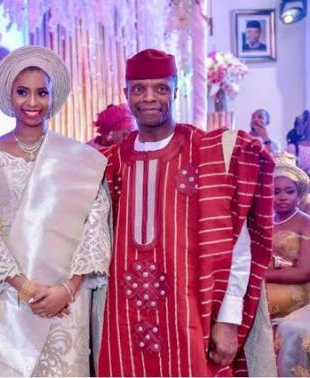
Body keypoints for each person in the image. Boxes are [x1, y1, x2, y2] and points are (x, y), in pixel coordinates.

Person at [97, 49, 276, 376]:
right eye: (139, 89)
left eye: (160, 88)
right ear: (126, 94)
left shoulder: (208, 153)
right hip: (122, 325)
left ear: (176, 90)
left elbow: (237, 244)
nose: (149, 98)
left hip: (194, 321)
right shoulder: (110, 164)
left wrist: (228, 320)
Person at [0, 46, 111, 376]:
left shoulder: (78, 157)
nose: (32, 103)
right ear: (9, 95)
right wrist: (24, 287)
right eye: (23, 92)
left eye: (41, 93)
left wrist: (68, 289)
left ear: (53, 97)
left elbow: (95, 222)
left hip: (67, 299)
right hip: (12, 294)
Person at [265, 152, 310, 376]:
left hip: (297, 297)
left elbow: (304, 272)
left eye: (289, 191)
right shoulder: (264, 222)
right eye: (275, 191)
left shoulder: (306, 223)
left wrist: (262, 274)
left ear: (299, 193)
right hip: (263, 292)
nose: (282, 197)